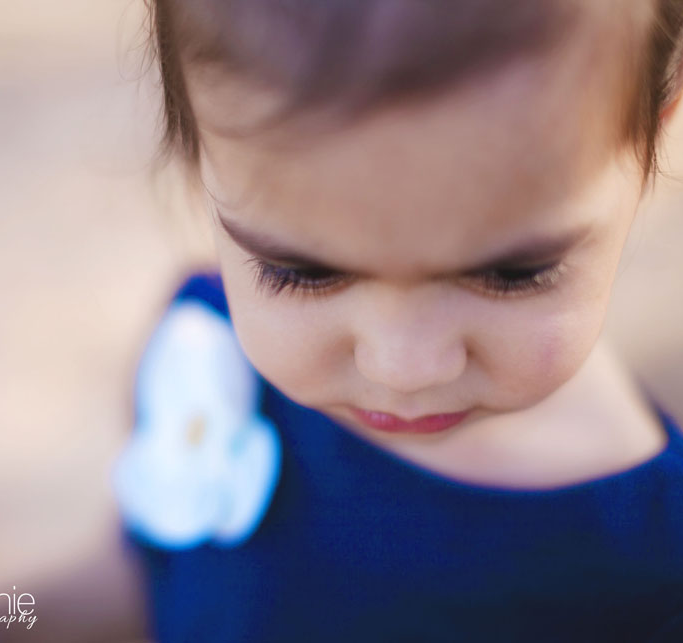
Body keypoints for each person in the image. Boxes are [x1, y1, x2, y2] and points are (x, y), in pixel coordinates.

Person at [110, 1, 683, 641]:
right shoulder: (203, 337)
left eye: (512, 275)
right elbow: (161, 561)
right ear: (201, 156)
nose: (401, 368)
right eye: (300, 273)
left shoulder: (644, 575)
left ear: (652, 140)